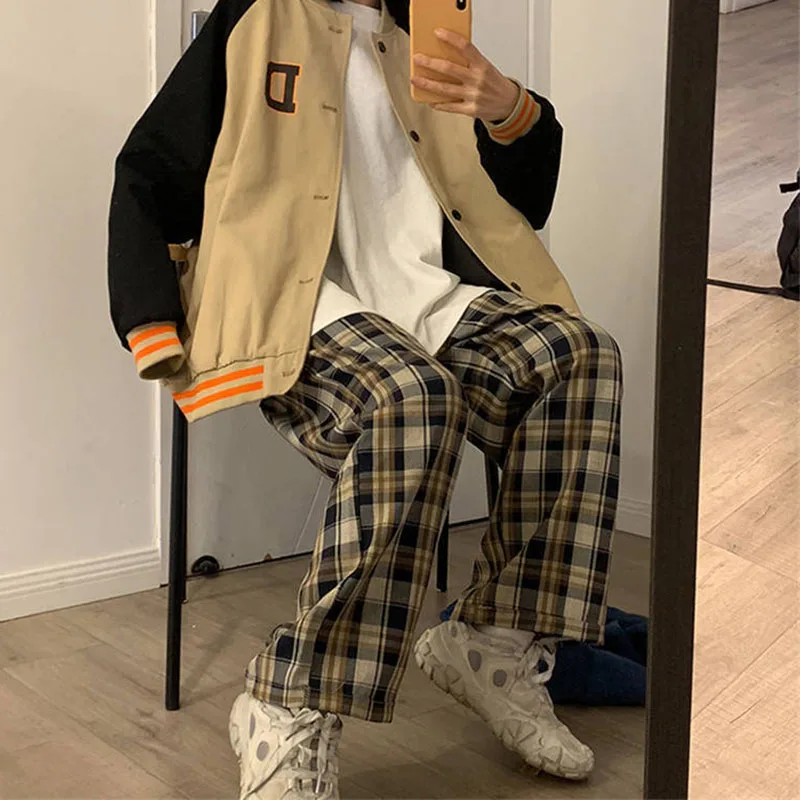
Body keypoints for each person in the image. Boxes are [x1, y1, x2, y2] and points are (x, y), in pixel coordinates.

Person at [108, 0, 623, 797]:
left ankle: (494, 643)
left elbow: (515, 204)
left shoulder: (423, 26)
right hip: (296, 304)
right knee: (416, 399)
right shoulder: (258, 13)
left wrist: (512, 112)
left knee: (579, 356)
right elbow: (149, 167)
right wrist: (147, 318)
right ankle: (287, 702)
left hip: (426, 294)